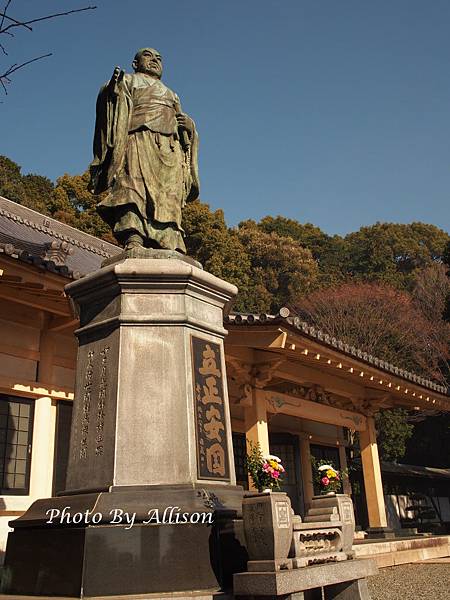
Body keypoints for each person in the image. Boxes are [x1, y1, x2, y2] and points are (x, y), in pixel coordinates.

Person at [89, 48, 199, 252]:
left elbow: (184, 131)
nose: (155, 60)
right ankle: (134, 236)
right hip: (138, 139)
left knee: (169, 195)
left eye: (159, 58)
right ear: (135, 63)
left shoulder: (172, 94)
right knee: (133, 187)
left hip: (169, 148)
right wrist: (112, 88)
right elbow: (109, 103)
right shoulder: (129, 80)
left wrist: (189, 126)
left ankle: (169, 241)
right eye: (148, 56)